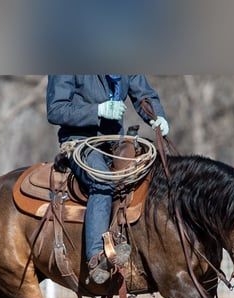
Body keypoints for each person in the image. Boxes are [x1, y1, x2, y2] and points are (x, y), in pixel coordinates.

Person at [46, 75, 170, 284]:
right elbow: (56, 110)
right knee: (102, 181)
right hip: (79, 142)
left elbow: (144, 96)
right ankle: (96, 258)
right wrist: (97, 111)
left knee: (150, 175)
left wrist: (157, 116)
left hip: (114, 142)